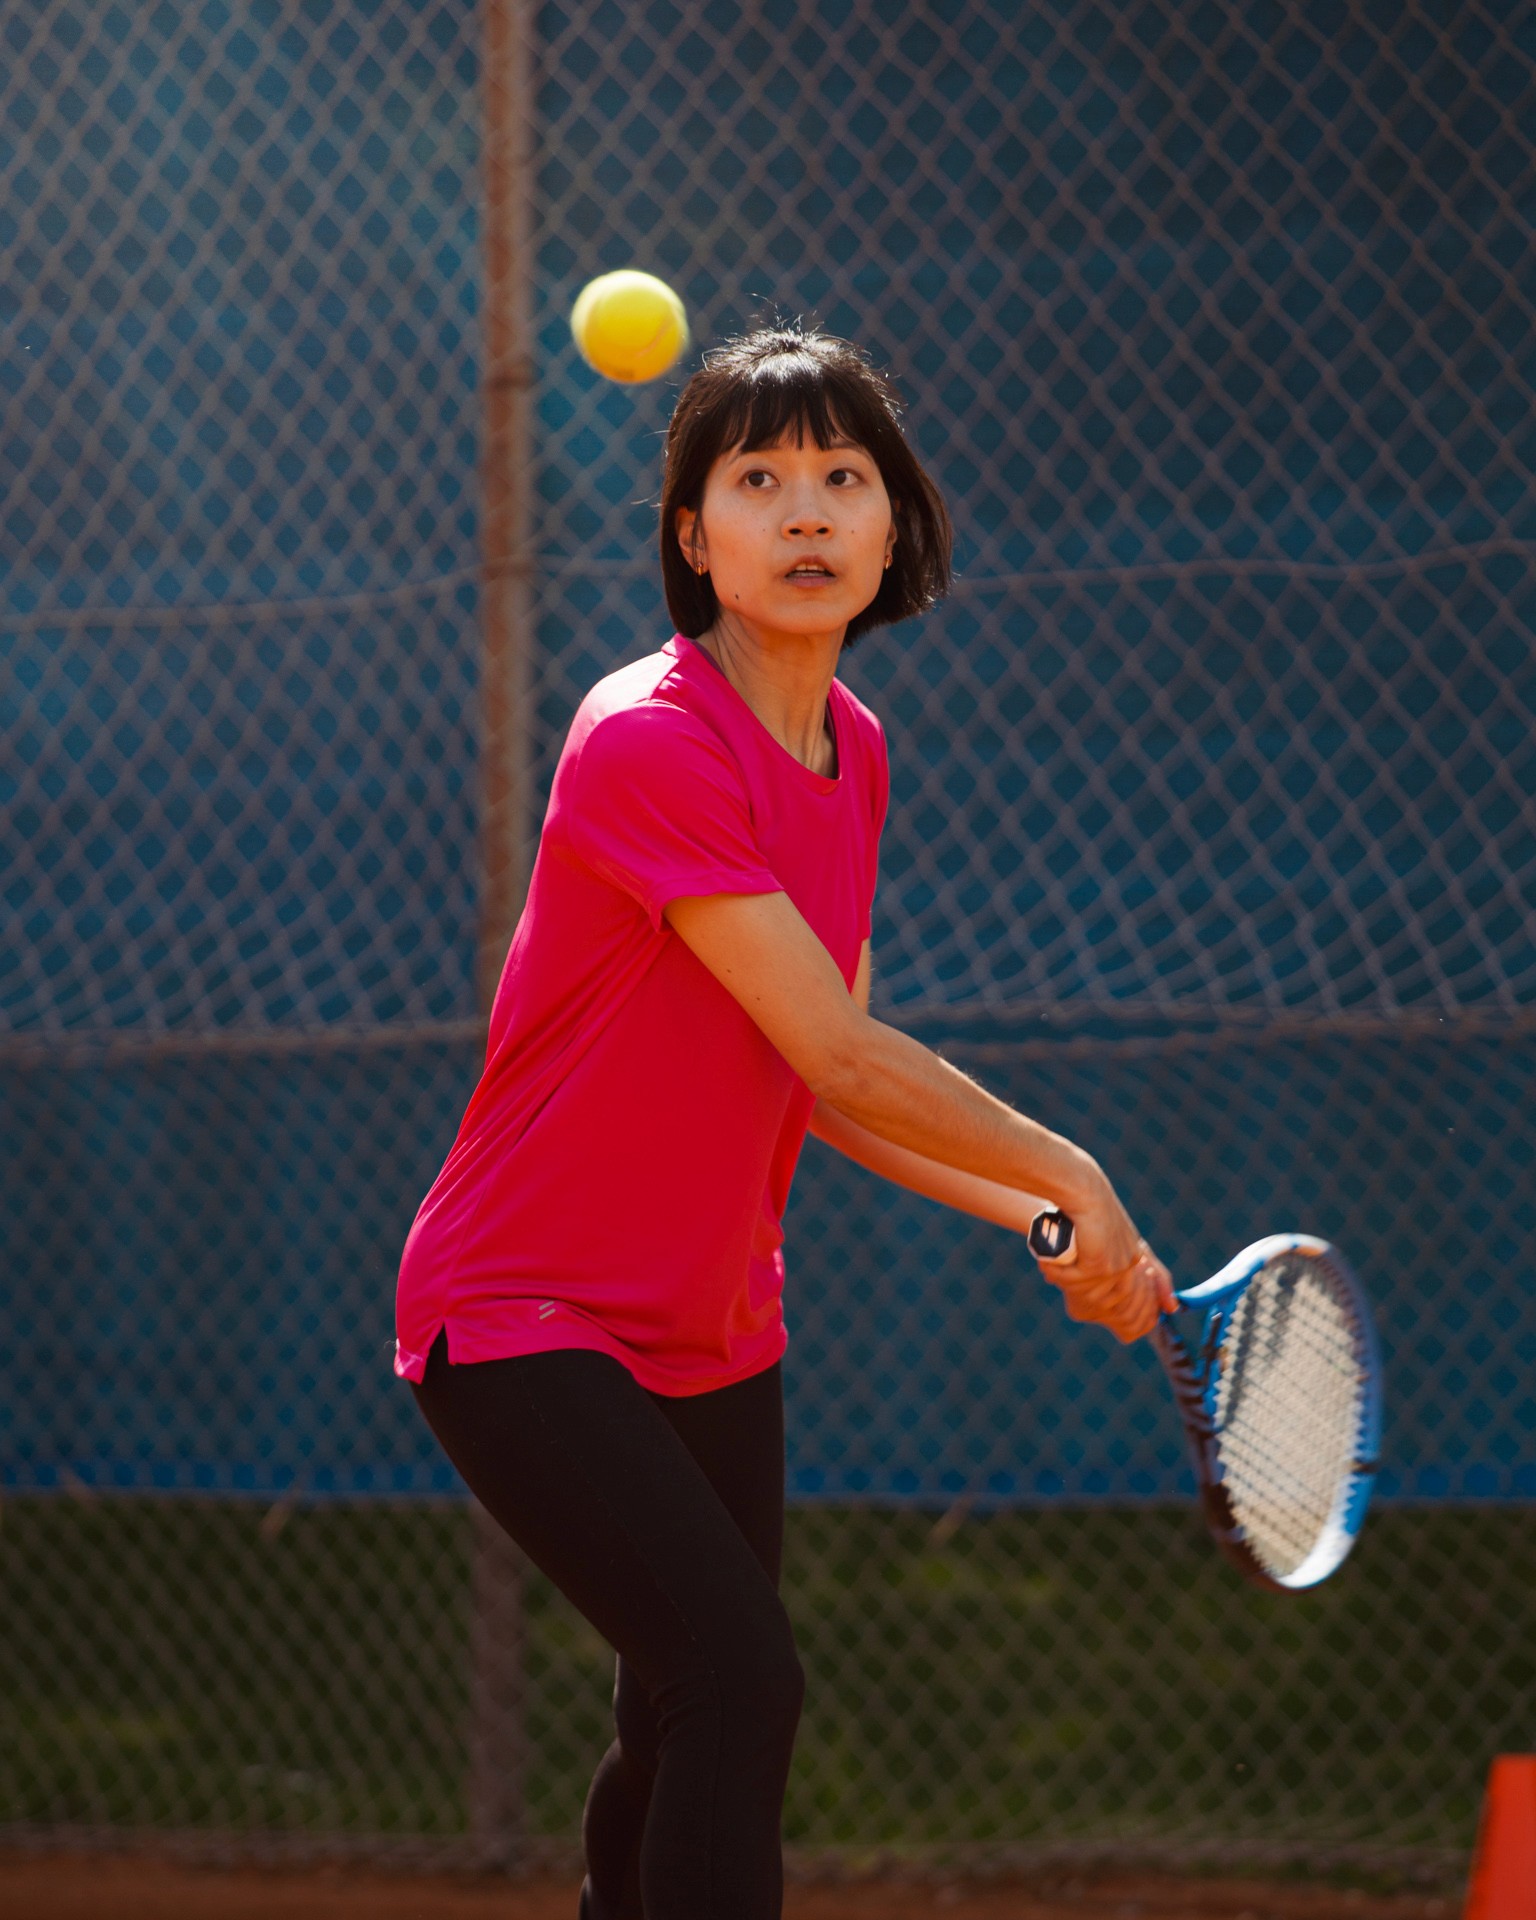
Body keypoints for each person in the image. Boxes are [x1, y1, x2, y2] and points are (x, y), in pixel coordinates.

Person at [394, 324, 1173, 1920]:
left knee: (674, 1712)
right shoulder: (647, 737)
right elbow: (836, 1038)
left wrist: (1039, 1224)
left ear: (896, 525)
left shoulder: (855, 753)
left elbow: (819, 1083)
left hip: (714, 1322)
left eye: (842, 476)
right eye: (758, 480)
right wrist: (1072, 1172)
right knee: (738, 1680)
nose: (806, 512)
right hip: (519, 1307)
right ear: (694, 537)